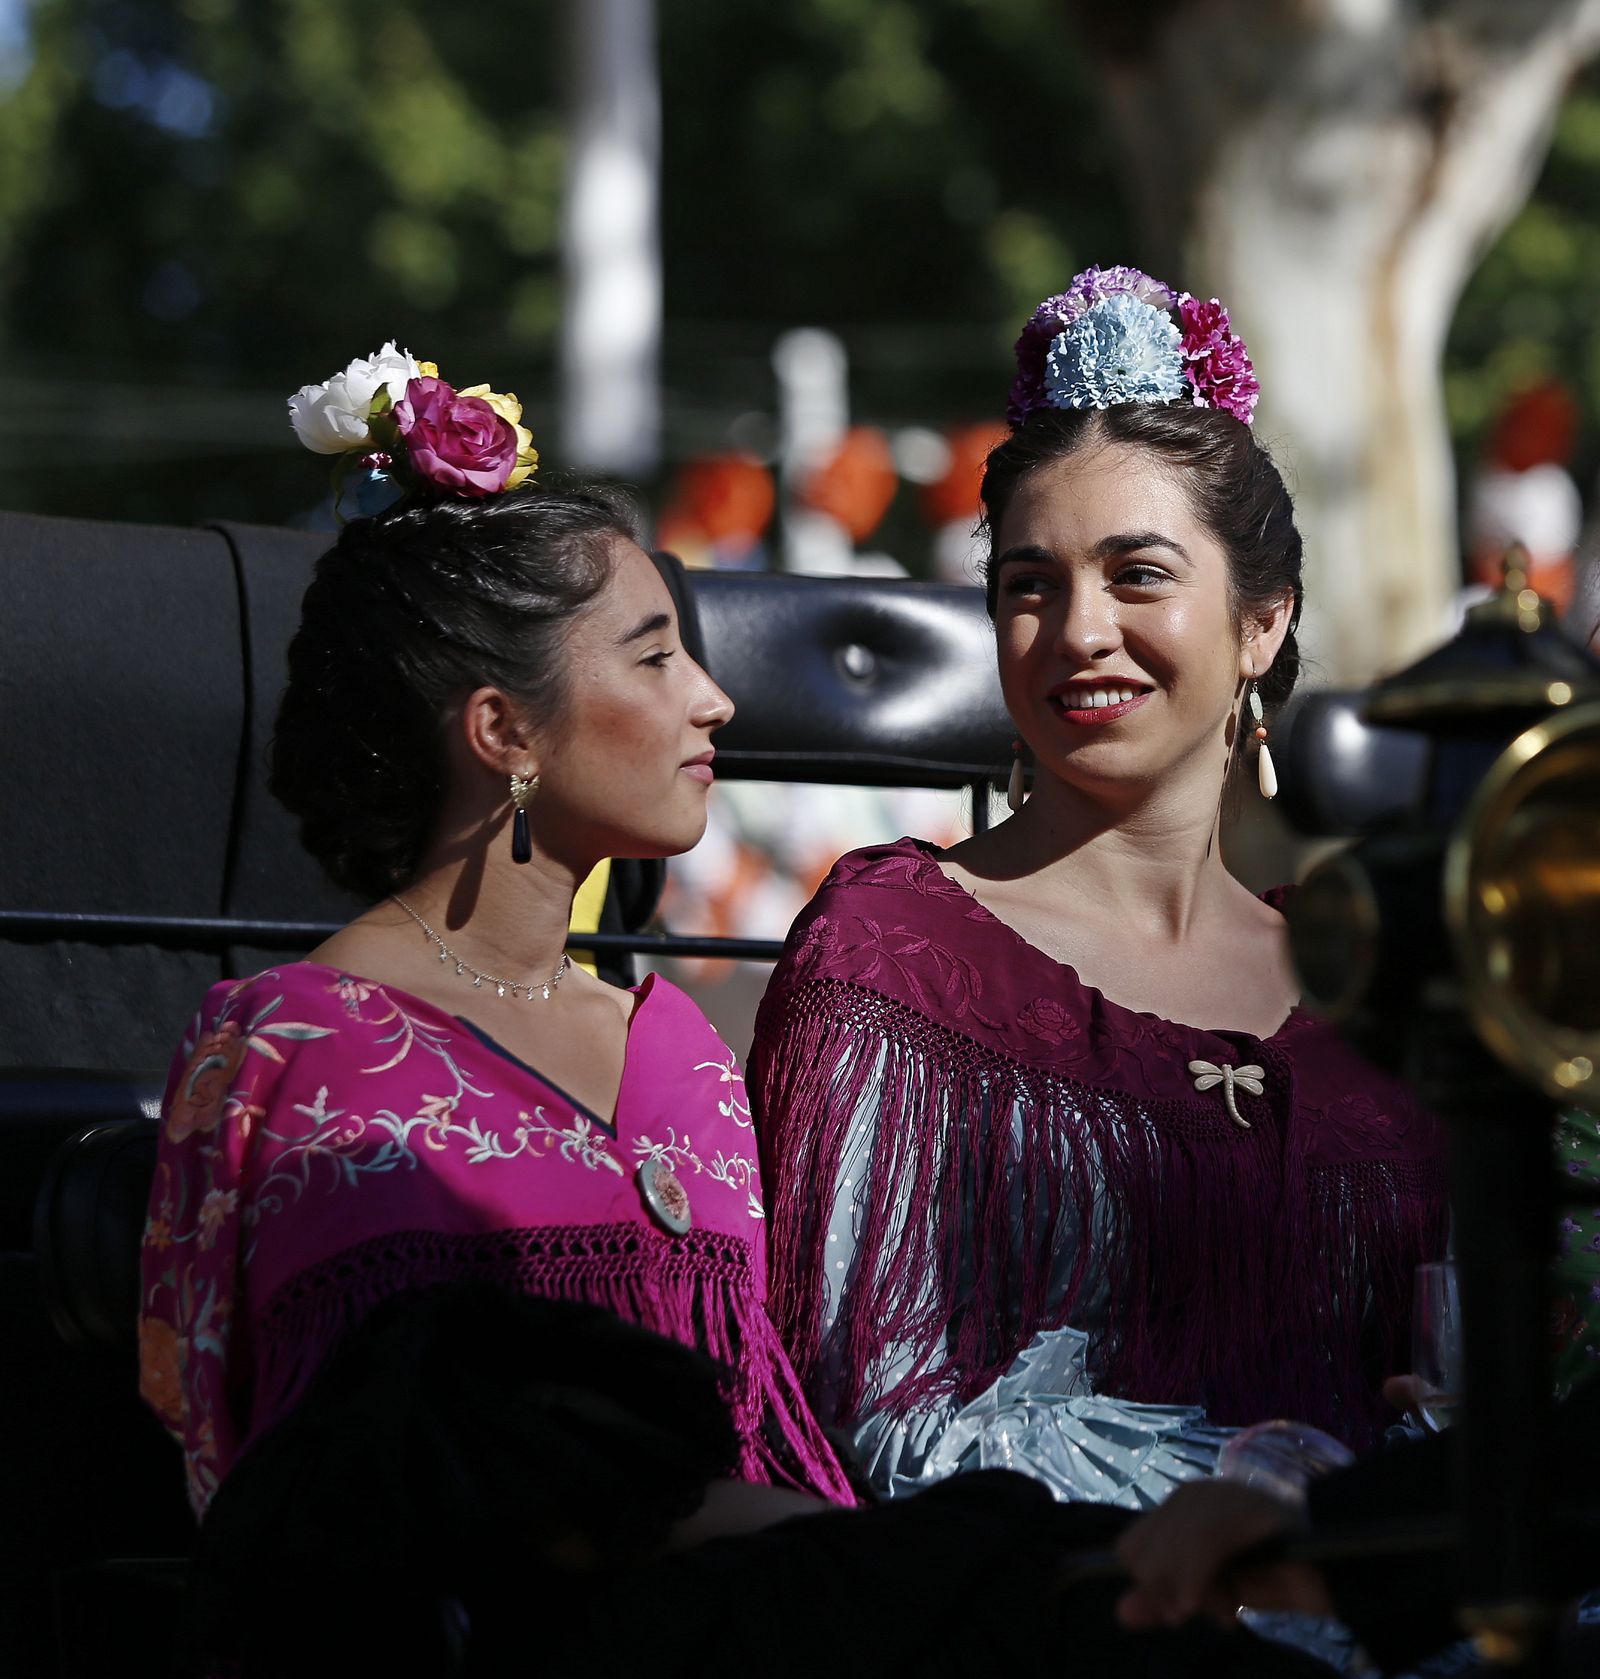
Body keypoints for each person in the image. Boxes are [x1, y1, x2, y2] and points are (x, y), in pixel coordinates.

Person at [751, 267, 1450, 1505]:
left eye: (1137, 574)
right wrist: (1253, 1497)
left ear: (1260, 624)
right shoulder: (889, 950)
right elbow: (868, 1411)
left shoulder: (1366, 983)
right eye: (1031, 584)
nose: (1077, 628)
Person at [137, 345, 854, 1517]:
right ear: (504, 729)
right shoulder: (279, 1051)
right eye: (657, 654)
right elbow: (255, 1474)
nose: (713, 699)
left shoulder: (686, 1056)